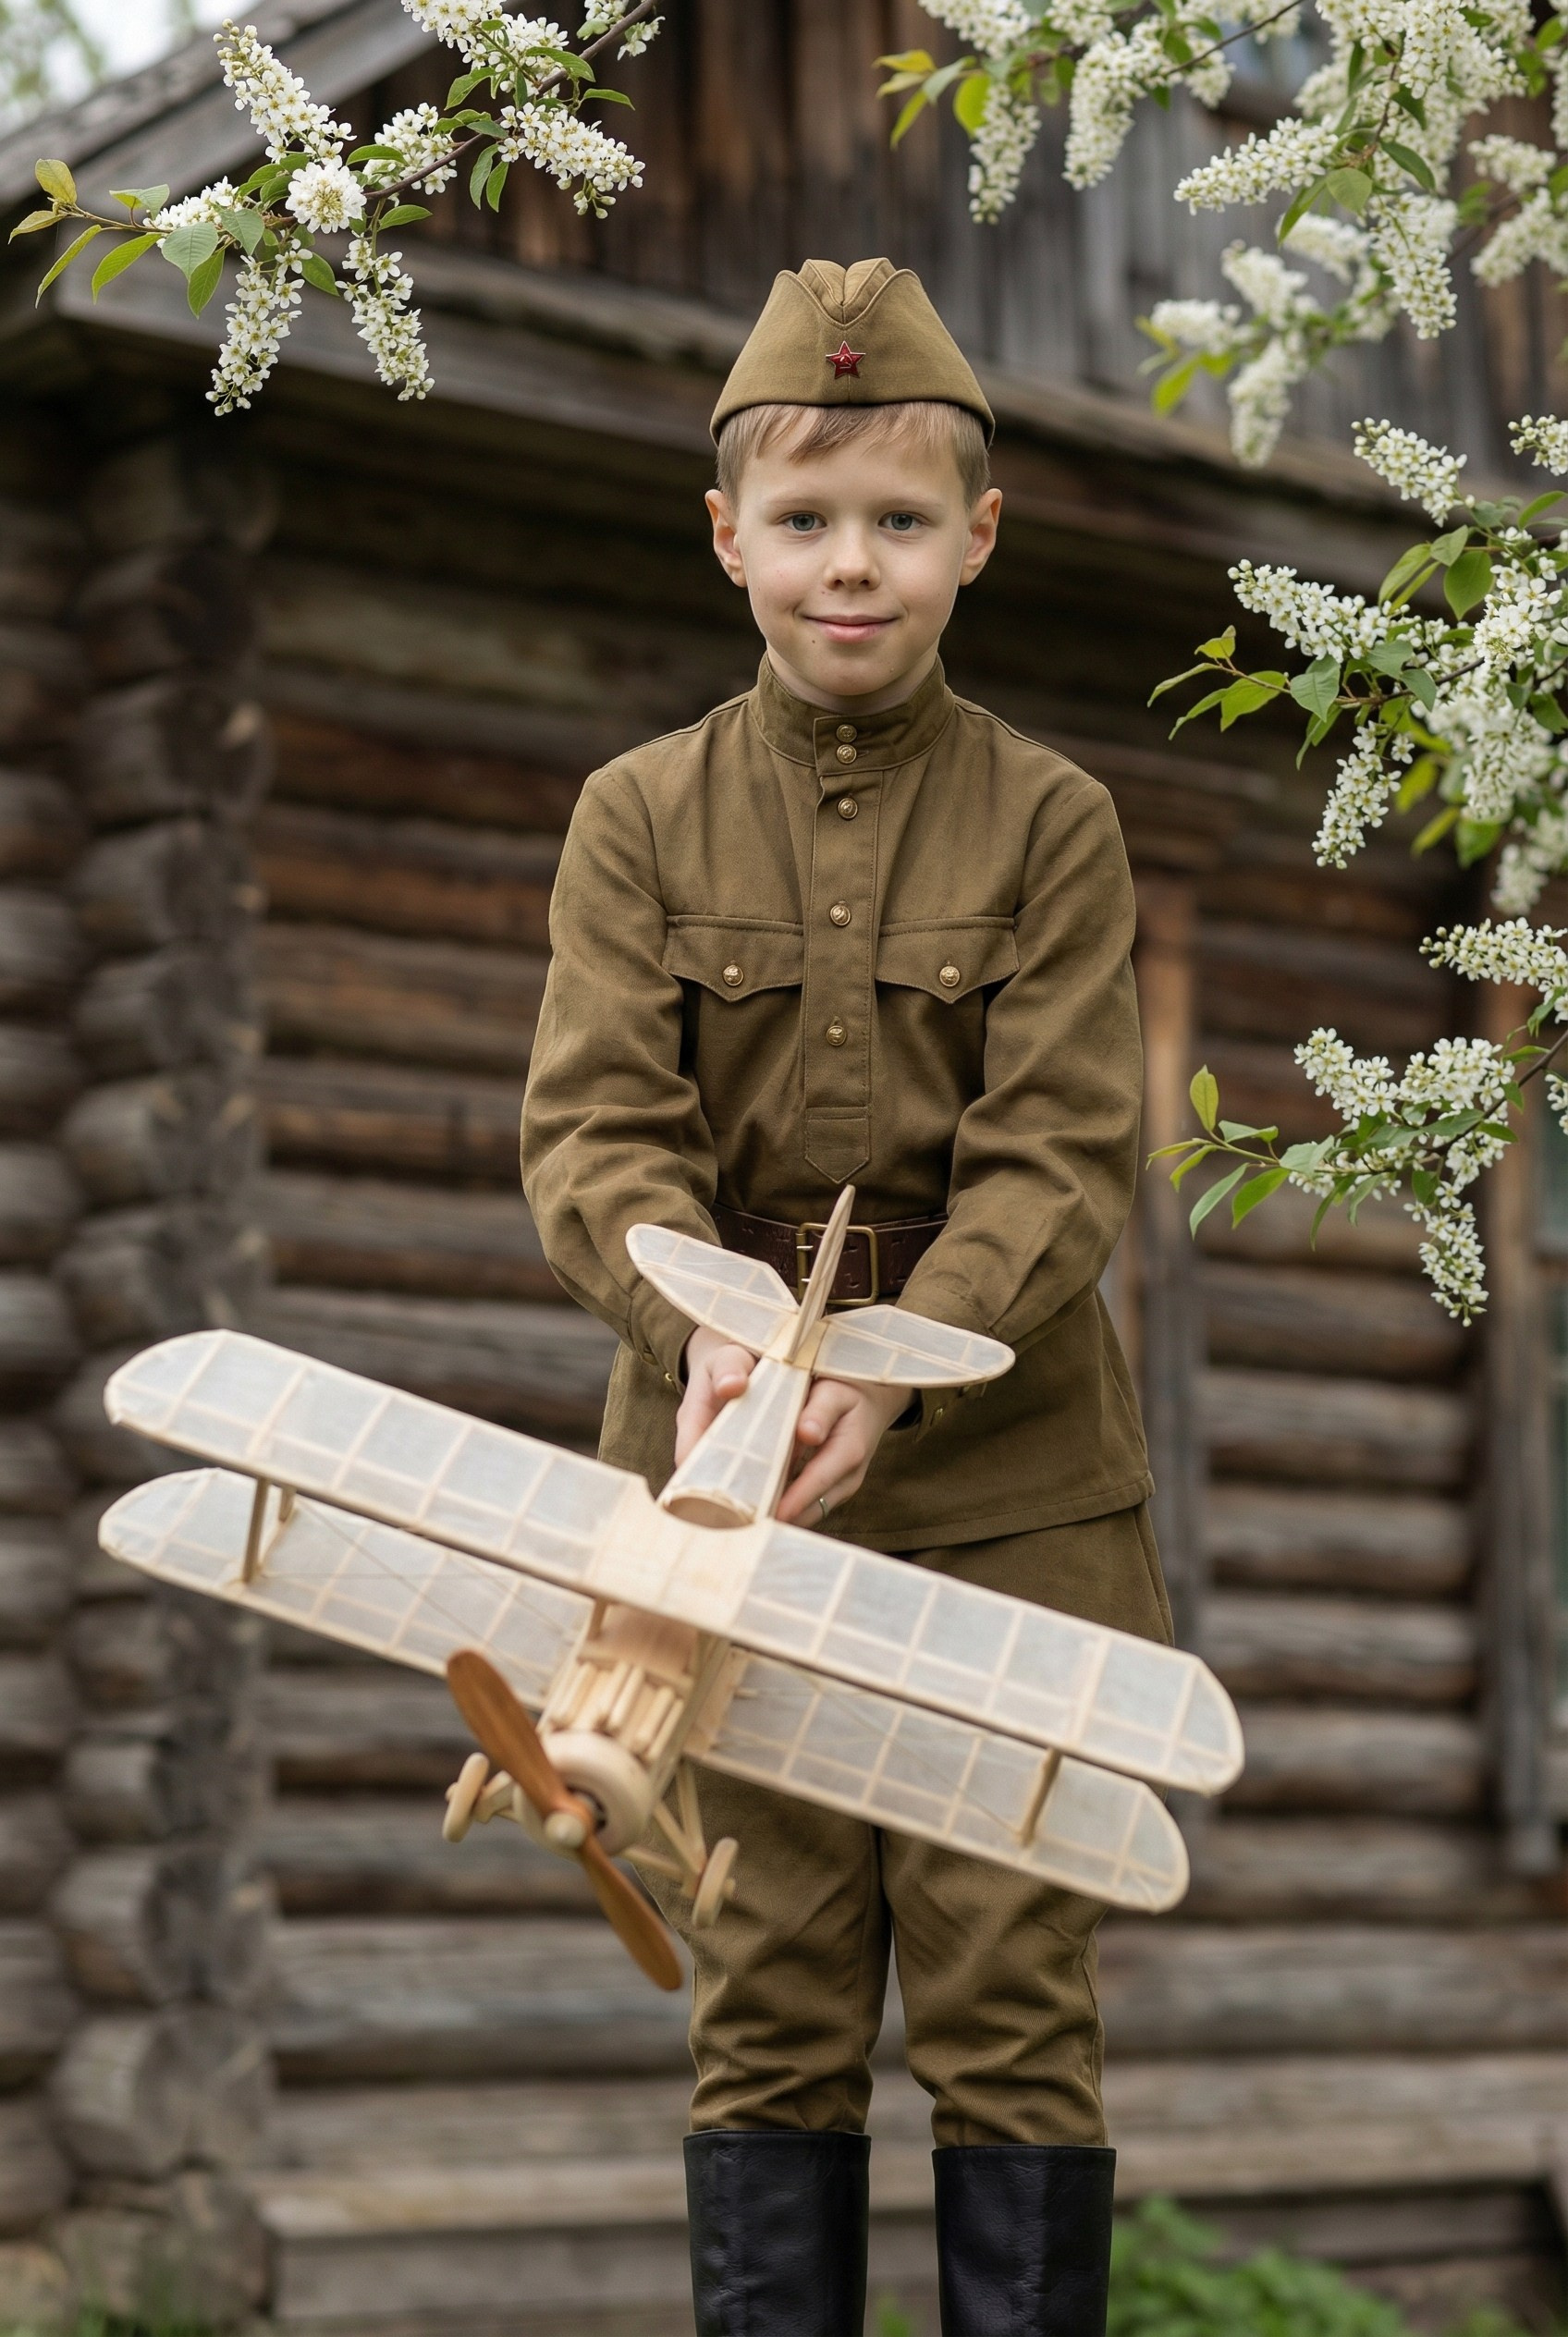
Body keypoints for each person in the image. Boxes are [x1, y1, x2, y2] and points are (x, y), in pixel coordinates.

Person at [521, 256, 1170, 2337]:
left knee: (1005, 2003)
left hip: (1007, 1502)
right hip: (721, 1509)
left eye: (898, 520)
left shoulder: (1055, 823)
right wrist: (699, 1333)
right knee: (770, 1997)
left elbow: (1059, 1153)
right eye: (804, 523)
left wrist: (894, 1368)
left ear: (978, 537)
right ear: (727, 540)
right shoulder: (632, 818)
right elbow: (593, 1140)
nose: (850, 567)